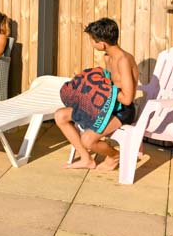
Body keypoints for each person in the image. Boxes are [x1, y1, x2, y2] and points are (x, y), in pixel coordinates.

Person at [58, 17, 139, 171]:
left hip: (122, 111)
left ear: (102, 44)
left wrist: (103, 88)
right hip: (106, 105)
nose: (91, 43)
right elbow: (108, 83)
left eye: (92, 40)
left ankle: (114, 156)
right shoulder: (108, 57)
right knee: (60, 115)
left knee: (88, 139)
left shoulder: (123, 60)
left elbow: (127, 99)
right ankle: (86, 158)